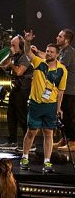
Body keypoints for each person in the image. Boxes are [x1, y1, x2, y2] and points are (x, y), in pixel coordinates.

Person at [20, 32, 67, 173]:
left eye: (51, 52)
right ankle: (25, 157)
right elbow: (28, 52)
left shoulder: (62, 70)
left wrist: (59, 108)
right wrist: (27, 42)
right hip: (36, 104)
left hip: (50, 106)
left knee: (49, 133)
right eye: (47, 51)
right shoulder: (38, 63)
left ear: (57, 55)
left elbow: (60, 91)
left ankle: (47, 162)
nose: (48, 54)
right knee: (31, 132)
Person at [0, 36, 32, 151]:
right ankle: (12, 141)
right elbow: (3, 65)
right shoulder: (15, 56)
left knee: (22, 115)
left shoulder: (25, 57)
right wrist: (7, 60)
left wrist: (11, 64)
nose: (11, 47)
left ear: (21, 46)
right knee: (11, 114)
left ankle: (29, 143)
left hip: (23, 88)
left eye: (14, 45)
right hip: (17, 87)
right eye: (11, 45)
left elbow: (19, 72)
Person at [55, 29, 75, 152]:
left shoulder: (69, 52)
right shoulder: (62, 51)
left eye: (60, 36)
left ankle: (72, 141)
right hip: (63, 90)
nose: (57, 37)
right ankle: (65, 139)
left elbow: (60, 66)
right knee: (62, 116)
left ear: (66, 40)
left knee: (69, 116)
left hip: (70, 90)